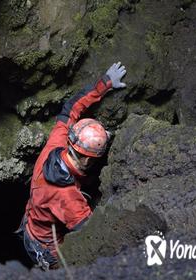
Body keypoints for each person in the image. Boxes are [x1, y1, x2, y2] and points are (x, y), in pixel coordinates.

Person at [16, 62, 127, 270]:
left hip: (31, 225)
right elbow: (91, 231)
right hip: (48, 248)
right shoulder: (67, 196)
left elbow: (71, 108)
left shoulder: (57, 143)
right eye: (94, 158)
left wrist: (105, 83)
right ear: (87, 160)